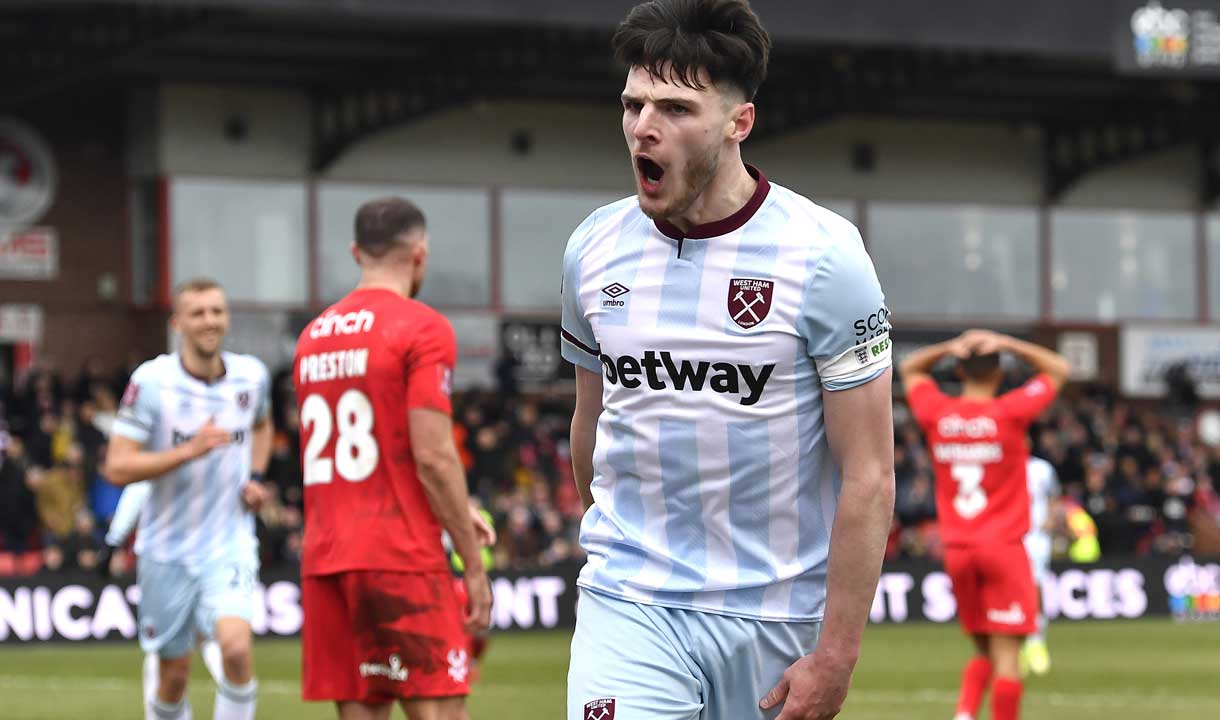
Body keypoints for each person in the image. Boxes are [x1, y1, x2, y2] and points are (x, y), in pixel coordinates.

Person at [562, 2, 896, 718]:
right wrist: (617, 544)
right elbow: (588, 426)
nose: (644, 126)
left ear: (738, 122)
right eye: (633, 104)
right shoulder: (592, 249)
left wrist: (837, 654)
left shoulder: (825, 256)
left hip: (774, 615)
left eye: (676, 108)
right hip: (630, 599)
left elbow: (869, 473)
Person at [294, 196, 493, 720]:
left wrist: (448, 508)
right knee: (441, 712)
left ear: (357, 252)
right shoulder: (422, 327)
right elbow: (432, 455)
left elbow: (374, 453)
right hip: (400, 556)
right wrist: (471, 562)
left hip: (328, 558)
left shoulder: (312, 337)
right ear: (420, 254)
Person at [104, 278, 274, 720]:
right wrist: (187, 450)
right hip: (166, 551)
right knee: (174, 675)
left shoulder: (251, 376)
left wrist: (255, 477)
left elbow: (261, 425)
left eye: (217, 311)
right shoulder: (152, 382)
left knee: (236, 650)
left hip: (229, 542)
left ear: (227, 317)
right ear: (178, 322)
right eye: (197, 313)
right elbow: (117, 466)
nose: (209, 321)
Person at [899, 329, 1070, 720]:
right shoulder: (1009, 412)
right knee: (1008, 656)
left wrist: (948, 346)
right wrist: (1006, 342)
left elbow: (909, 368)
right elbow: (1058, 368)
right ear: (998, 374)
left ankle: (964, 714)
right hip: (1003, 549)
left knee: (984, 650)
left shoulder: (937, 413)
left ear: (959, 370)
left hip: (958, 550)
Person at [98, 479, 227, 709]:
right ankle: (235, 704)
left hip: (163, 561)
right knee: (208, 635)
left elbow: (137, 491)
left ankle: (155, 711)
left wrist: (113, 541)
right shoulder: (208, 457)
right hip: (208, 555)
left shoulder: (158, 455)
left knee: (162, 642)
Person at [1020, 455, 1058, 677]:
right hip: (1010, 536)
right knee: (1011, 591)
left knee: (1035, 587)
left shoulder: (1043, 468)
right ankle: (1016, 646)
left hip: (1036, 538)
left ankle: (1036, 642)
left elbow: (1054, 496)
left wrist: (1051, 518)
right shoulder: (1002, 463)